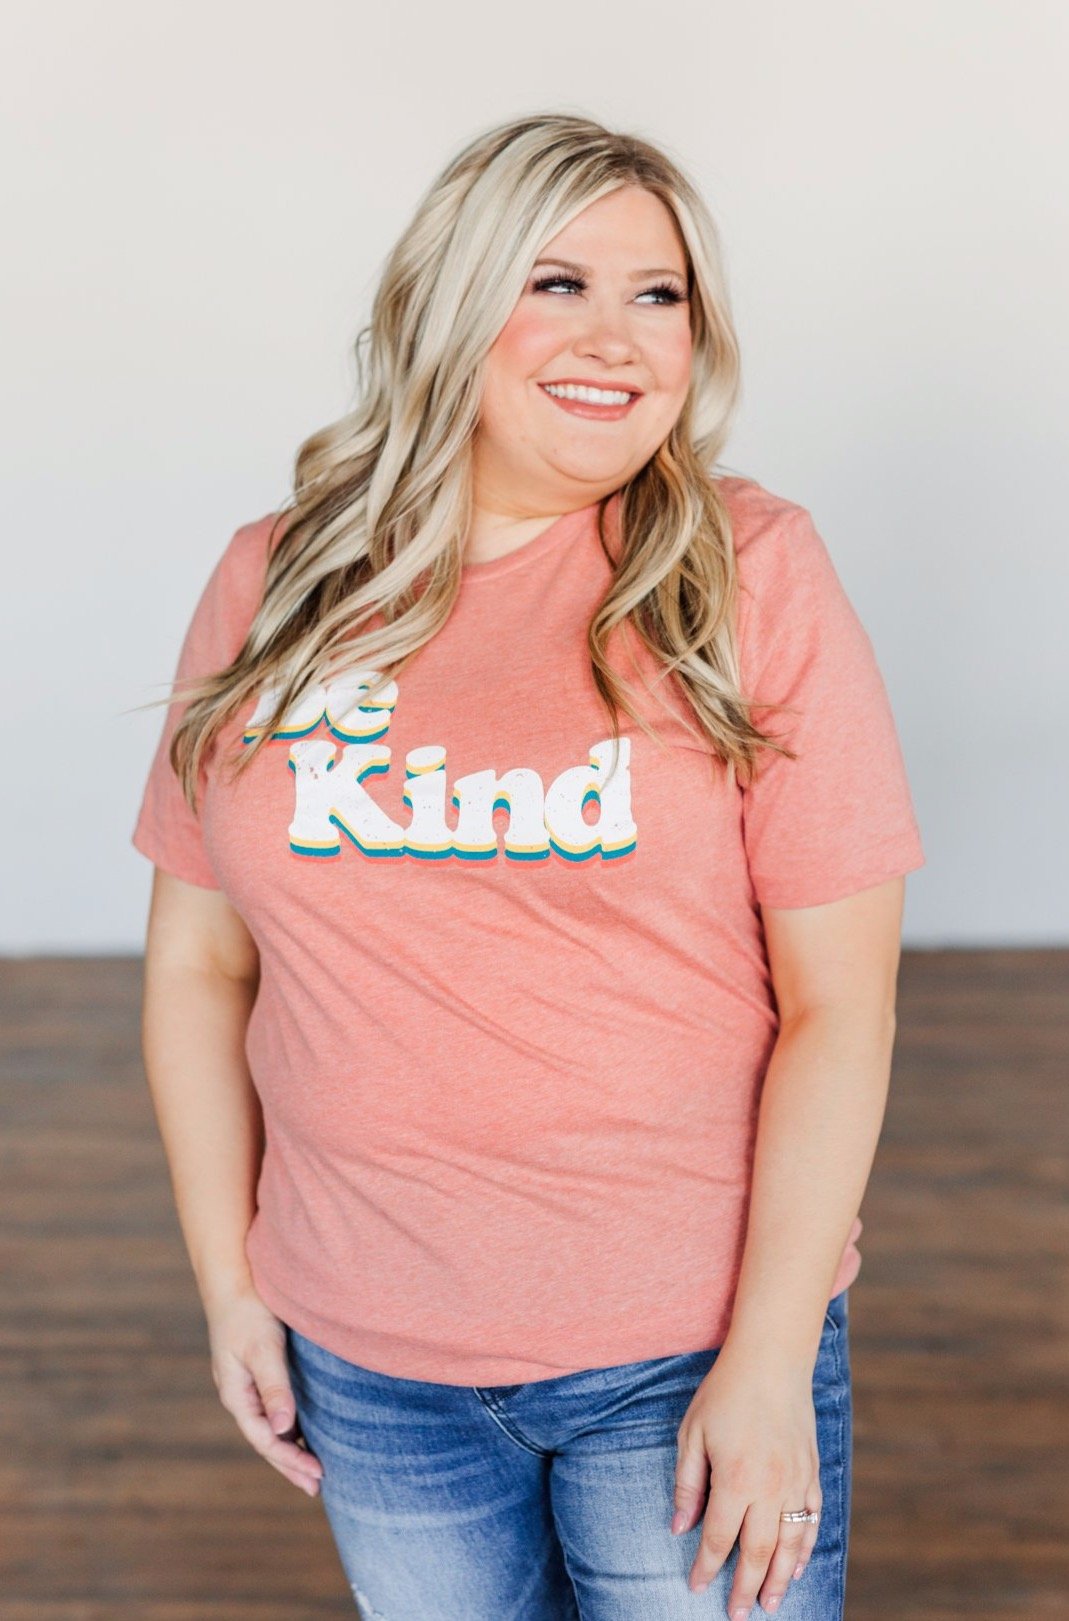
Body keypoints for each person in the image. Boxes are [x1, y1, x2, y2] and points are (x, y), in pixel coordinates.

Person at [130, 112, 925, 1621]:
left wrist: (767, 1360)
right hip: (368, 1355)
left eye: (658, 294)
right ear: (451, 303)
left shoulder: (748, 572)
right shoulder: (280, 578)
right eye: (557, 282)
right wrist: (231, 1281)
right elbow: (198, 960)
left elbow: (842, 1006)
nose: (615, 337)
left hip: (682, 1346)